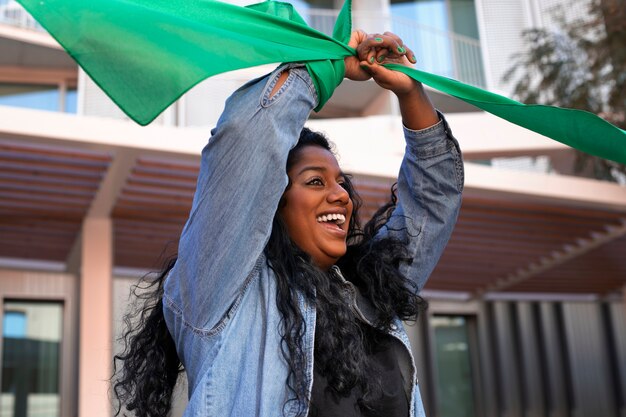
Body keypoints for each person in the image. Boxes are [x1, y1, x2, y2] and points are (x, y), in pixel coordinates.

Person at [113, 30, 463, 417]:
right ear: (272, 202)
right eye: (315, 181)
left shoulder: (372, 288)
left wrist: (411, 94)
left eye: (341, 183)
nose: (341, 196)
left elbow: (432, 201)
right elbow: (248, 138)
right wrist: (323, 68)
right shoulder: (225, 291)